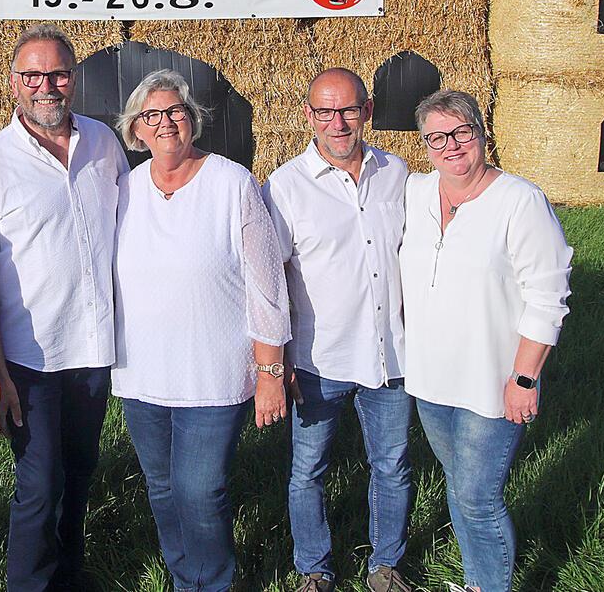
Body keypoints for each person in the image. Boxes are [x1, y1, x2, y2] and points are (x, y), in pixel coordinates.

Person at [0, 23, 130, 592]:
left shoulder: (104, 143)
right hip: (30, 358)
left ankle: (70, 576)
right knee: (38, 483)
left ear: (73, 79)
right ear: (13, 84)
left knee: (79, 473)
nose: (46, 86)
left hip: (94, 347)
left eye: (56, 73)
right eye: (32, 75)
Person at [112, 69, 291, 592]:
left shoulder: (231, 182)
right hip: (141, 374)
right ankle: (182, 575)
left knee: (199, 489)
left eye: (176, 112)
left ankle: (215, 581)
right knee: (162, 488)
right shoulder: (125, 189)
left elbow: (266, 285)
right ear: (135, 132)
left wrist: (270, 371)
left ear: (193, 121)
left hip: (212, 372)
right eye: (152, 116)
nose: (166, 122)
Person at [399, 90, 572, 592]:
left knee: (477, 496)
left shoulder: (519, 200)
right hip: (430, 379)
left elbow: (547, 295)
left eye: (461, 133)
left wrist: (524, 377)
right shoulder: (415, 192)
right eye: (437, 138)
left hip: (492, 380)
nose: (451, 146)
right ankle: (477, 580)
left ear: (481, 133)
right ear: (425, 146)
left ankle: (487, 586)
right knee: (460, 486)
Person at [263, 69, 414, 592]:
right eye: (325, 112)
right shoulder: (284, 187)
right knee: (308, 470)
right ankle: (314, 570)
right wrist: (274, 362)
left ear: (367, 111)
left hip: (391, 355)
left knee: (391, 466)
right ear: (308, 116)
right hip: (317, 358)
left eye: (348, 110)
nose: (338, 122)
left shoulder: (398, 173)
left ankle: (385, 566)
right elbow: (268, 281)